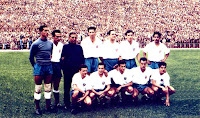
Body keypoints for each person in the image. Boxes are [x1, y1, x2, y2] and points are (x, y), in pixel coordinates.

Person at [29, 25, 56, 115]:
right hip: (39, 67)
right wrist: (36, 66)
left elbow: (50, 54)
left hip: (48, 67)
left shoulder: (50, 43)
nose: (47, 32)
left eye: (48, 30)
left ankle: (48, 107)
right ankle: (37, 108)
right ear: (40, 32)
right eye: (45, 30)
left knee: (48, 87)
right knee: (38, 88)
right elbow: (31, 57)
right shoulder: (36, 44)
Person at [61, 32, 85, 109]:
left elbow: (82, 59)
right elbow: (62, 58)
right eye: (72, 37)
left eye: (75, 37)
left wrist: (80, 70)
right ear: (69, 38)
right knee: (67, 87)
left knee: (78, 87)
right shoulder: (65, 47)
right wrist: (64, 68)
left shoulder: (79, 47)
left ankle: (78, 102)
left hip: (77, 71)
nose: (74, 39)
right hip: (68, 71)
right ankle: (67, 103)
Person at [51, 30, 64, 108]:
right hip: (50, 64)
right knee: (48, 84)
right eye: (57, 36)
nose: (59, 38)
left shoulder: (61, 45)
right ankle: (48, 103)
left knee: (56, 84)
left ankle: (57, 102)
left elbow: (63, 56)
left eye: (60, 36)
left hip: (58, 65)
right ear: (53, 37)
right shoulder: (49, 44)